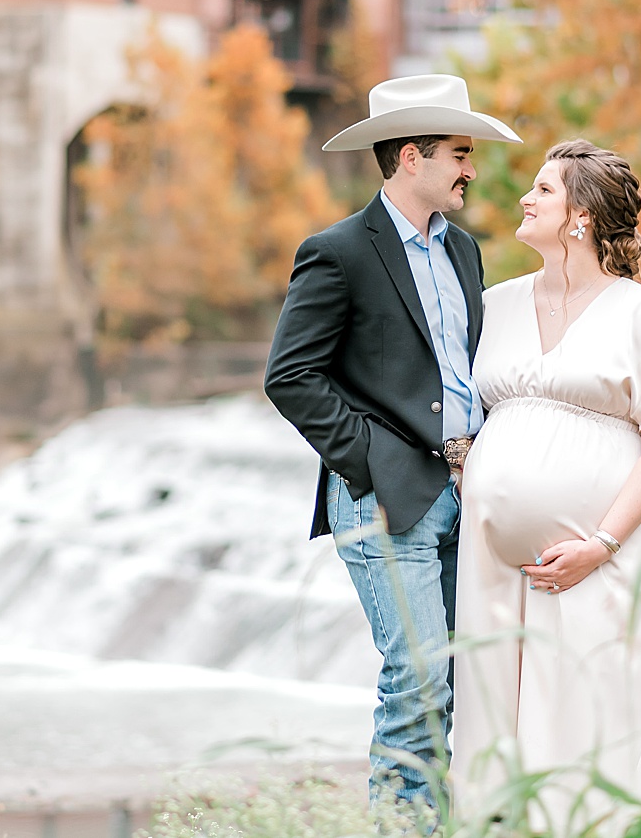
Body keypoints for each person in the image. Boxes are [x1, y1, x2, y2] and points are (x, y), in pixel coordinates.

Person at [265, 74, 522, 810]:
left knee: (458, 685)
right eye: (460, 154)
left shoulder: (465, 252)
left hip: (464, 502)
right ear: (413, 156)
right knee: (415, 683)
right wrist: (366, 459)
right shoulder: (338, 251)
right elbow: (290, 376)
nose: (471, 169)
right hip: (384, 501)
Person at [451, 139, 641, 828]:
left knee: (593, 716)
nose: (523, 199)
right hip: (489, 559)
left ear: (581, 217)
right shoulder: (494, 306)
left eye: (542, 189)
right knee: (493, 721)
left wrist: (601, 542)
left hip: (602, 556)